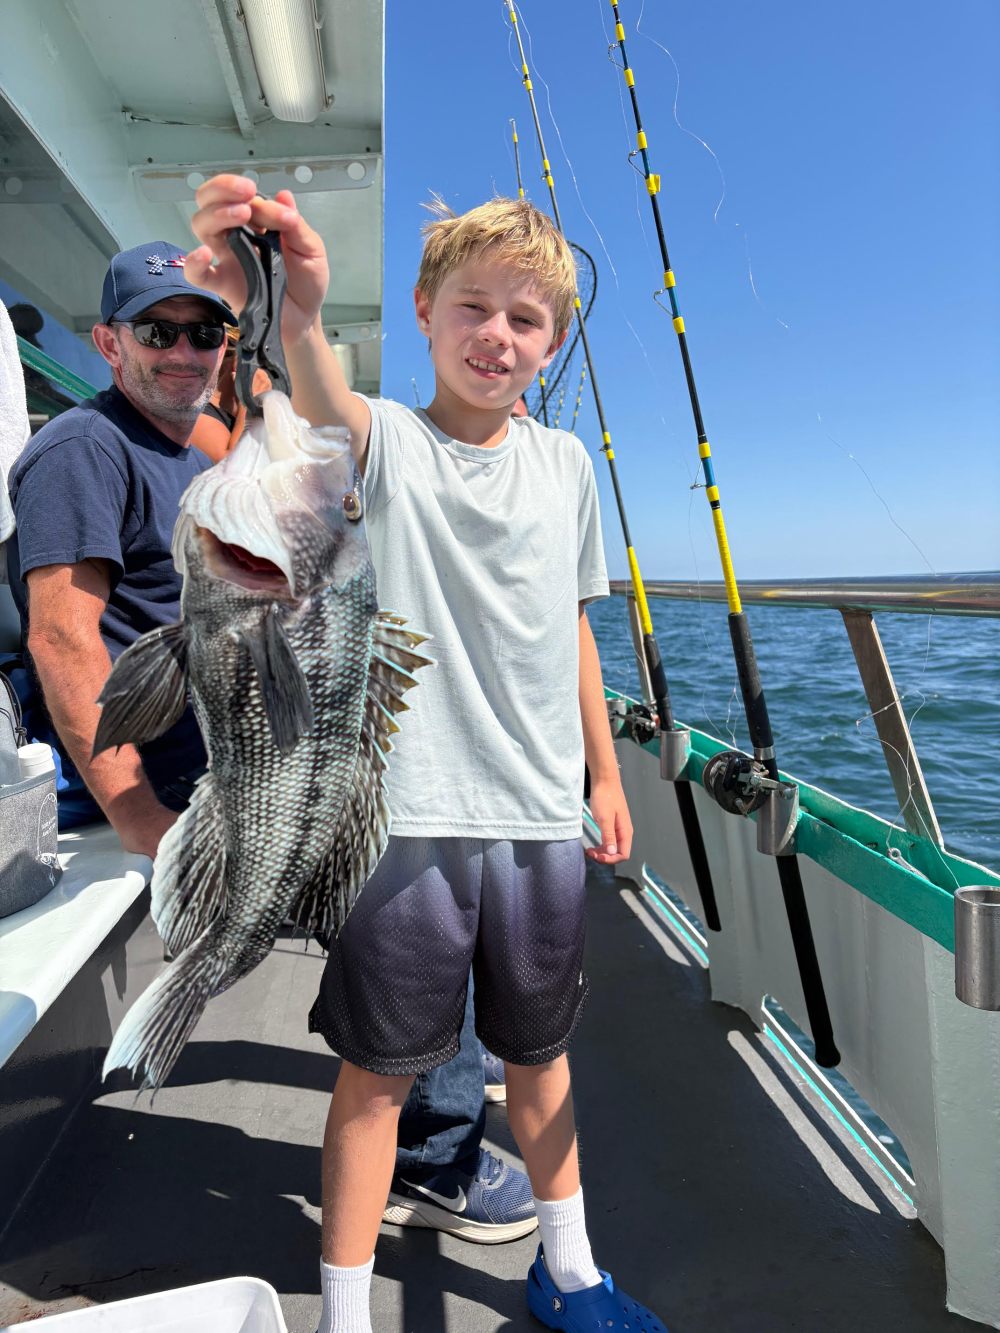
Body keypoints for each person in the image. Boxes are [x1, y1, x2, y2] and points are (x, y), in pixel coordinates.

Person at [187, 176, 664, 1333]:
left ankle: (572, 1269)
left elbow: (575, 629)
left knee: (539, 1060)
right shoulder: (387, 443)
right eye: (473, 306)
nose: (495, 334)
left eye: (525, 318)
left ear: (550, 346)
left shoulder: (567, 469)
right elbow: (321, 394)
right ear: (422, 311)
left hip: (541, 817)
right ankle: (345, 1316)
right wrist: (294, 311)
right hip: (402, 820)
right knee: (379, 1078)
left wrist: (603, 775)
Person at [5, 242, 234, 855]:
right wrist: (141, 819)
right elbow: (60, 637)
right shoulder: (82, 450)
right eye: (158, 332)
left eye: (204, 332)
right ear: (110, 345)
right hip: (150, 797)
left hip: (217, 777)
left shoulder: (191, 462)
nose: (184, 353)